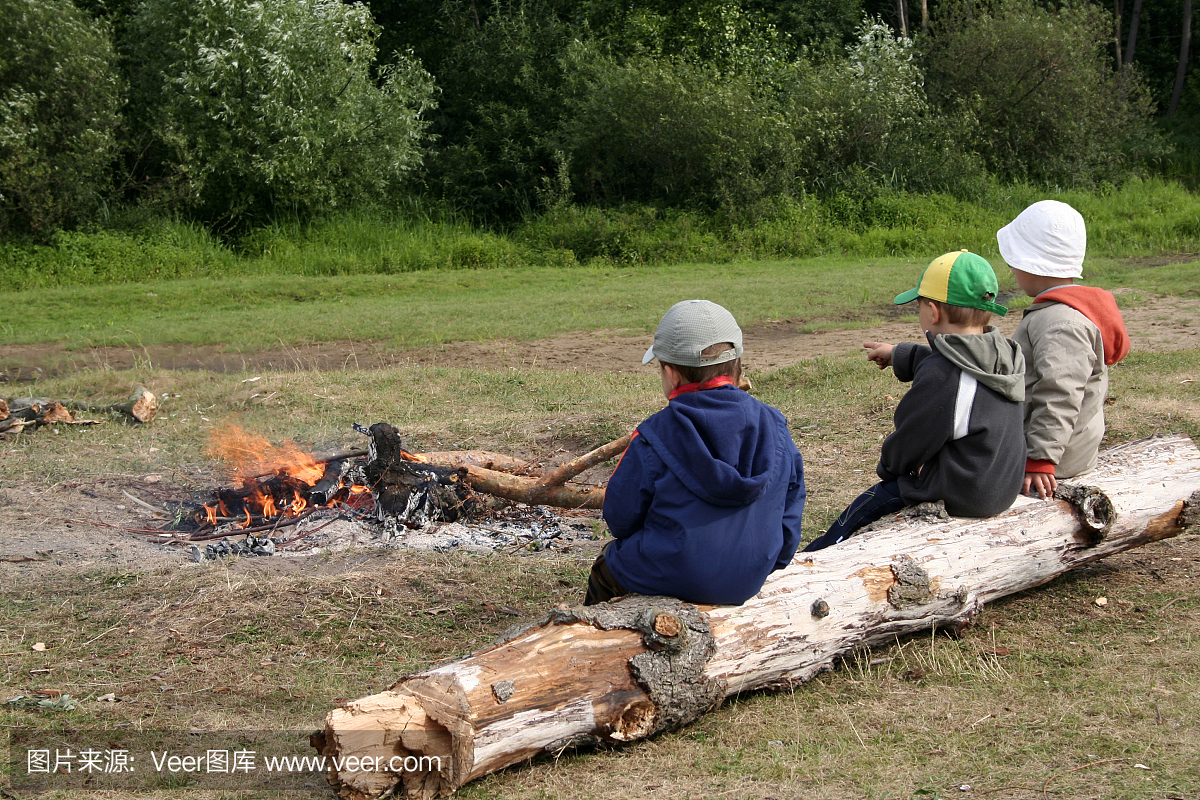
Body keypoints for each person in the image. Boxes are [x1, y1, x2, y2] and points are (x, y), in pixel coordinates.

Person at [585, 299, 806, 606]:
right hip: (752, 574)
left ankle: (595, 643)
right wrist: (769, 561)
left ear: (672, 374)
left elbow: (620, 519)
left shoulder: (653, 435)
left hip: (672, 572)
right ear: (737, 364)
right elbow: (790, 511)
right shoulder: (775, 425)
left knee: (606, 568)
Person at [803, 250, 1026, 552]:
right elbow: (951, 365)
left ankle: (815, 557)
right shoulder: (1002, 353)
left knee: (867, 504)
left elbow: (912, 438)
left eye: (919, 305)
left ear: (933, 312)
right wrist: (900, 354)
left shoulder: (943, 375)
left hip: (964, 493)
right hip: (999, 483)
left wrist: (890, 469)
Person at [997, 200, 1131, 499]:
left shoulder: (1060, 323)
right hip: (1059, 448)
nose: (1011, 268)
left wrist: (1041, 459)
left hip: (1053, 461)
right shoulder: (1062, 312)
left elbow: (1060, 393)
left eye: (1014, 261)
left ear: (1029, 262)